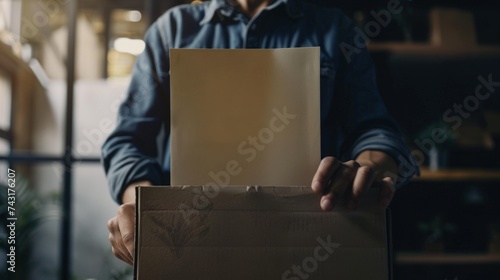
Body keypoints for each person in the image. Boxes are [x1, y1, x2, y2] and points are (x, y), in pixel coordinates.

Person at [103, 0, 418, 265]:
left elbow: (375, 129)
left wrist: (368, 170)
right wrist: (142, 208)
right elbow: (129, 140)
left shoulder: (335, 30)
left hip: (310, 243)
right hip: (190, 245)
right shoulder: (171, 30)